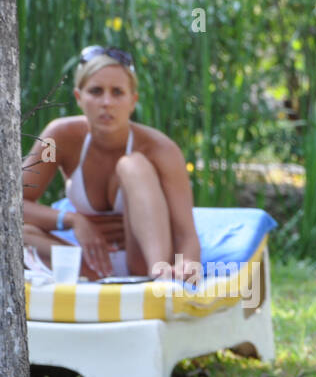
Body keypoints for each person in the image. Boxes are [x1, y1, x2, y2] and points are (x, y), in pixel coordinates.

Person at [22, 45, 201, 282]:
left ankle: (159, 278)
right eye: (96, 91)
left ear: (132, 101)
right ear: (79, 97)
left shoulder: (160, 149)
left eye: (117, 92)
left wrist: (187, 264)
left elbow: (187, 236)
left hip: (143, 264)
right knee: (17, 232)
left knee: (132, 164)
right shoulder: (59, 138)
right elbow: (12, 204)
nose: (107, 102)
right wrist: (73, 220)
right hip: (91, 265)